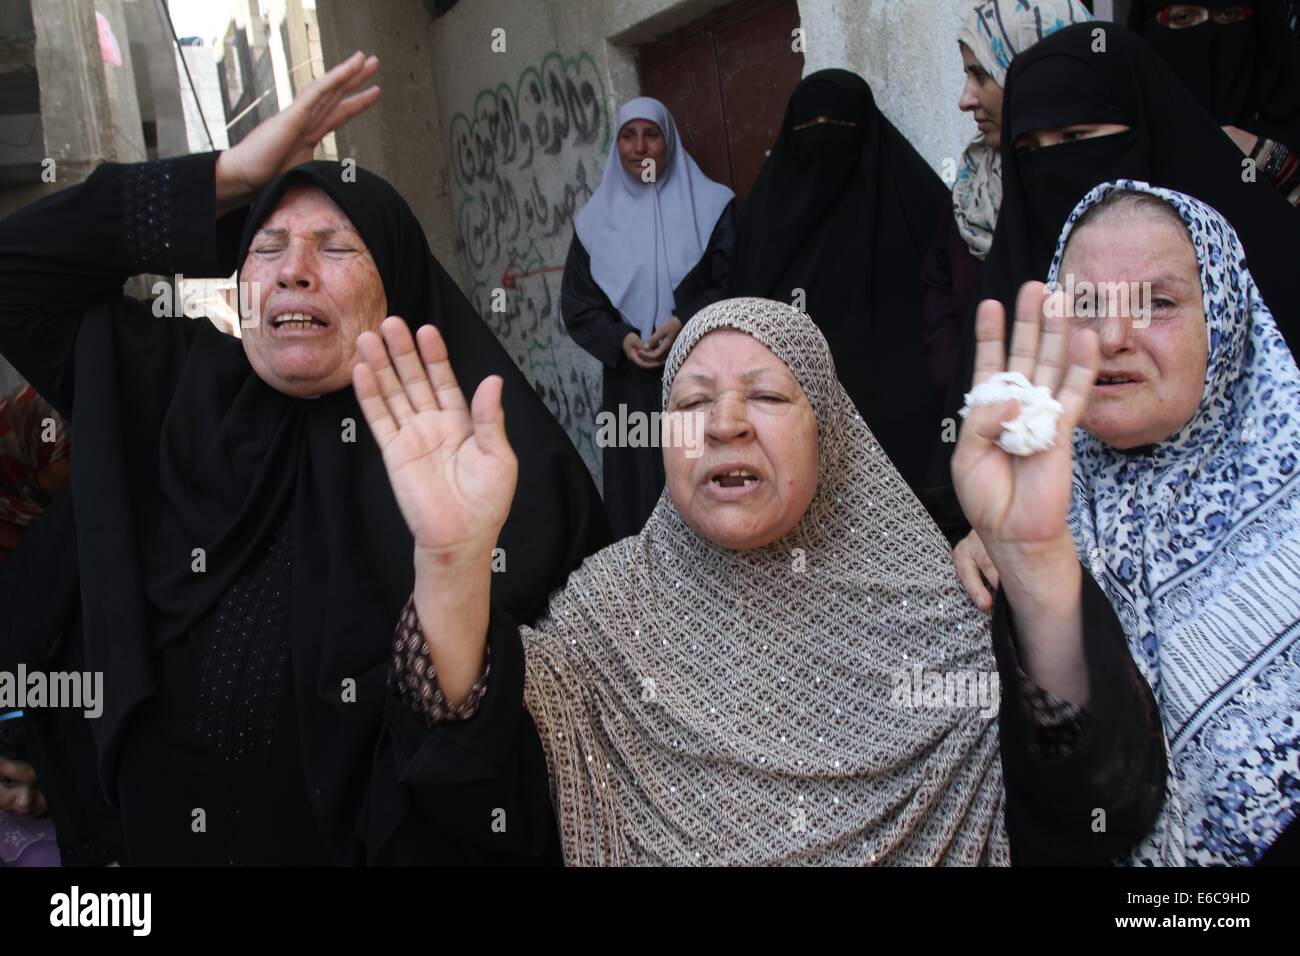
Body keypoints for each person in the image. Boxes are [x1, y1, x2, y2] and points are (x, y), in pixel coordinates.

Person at [0, 52, 607, 865]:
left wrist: (453, 565)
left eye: (334, 247)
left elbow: (528, 760)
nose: (292, 269)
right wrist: (228, 176)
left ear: (395, 279)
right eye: (267, 246)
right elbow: (16, 272)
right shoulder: (173, 393)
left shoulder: (493, 469)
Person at [351, 296, 1166, 865]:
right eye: (693, 399)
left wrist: (1036, 562)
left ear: (833, 435)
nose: (726, 422)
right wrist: (452, 564)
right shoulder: (608, 614)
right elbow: (472, 782)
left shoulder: (950, 609)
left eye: (769, 395)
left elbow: (1096, 807)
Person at [954, 180, 1299, 864]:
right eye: (1084, 306)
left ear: (1225, 320)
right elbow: (1088, 808)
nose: (1112, 337)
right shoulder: (1019, 519)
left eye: (1159, 303)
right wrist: (1038, 568)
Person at [926, 20, 1300, 540]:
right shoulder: (1012, 300)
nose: (1112, 336)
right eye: (1031, 152)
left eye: (1077, 139)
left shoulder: (1253, 271)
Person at [729, 71, 948, 495]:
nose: (823, 145)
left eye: (838, 128)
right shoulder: (762, 225)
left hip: (906, 452)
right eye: (808, 130)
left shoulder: (919, 205)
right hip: (796, 435)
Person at [562, 98, 734, 539]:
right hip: (631, 386)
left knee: (707, 480)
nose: (639, 147)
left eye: (651, 134)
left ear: (668, 142)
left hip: (702, 376)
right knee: (639, 498)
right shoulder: (593, 225)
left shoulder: (713, 207)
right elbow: (579, 306)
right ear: (616, 145)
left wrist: (685, 321)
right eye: (627, 135)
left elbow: (737, 283)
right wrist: (621, 340)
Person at [922, 0, 1092, 393]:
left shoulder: (1107, 173)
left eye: (981, 75)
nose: (965, 100)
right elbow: (939, 289)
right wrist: (962, 374)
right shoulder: (971, 187)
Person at [1127, 1, 1300, 205]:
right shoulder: (1123, 135)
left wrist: (1269, 157)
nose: (1208, 33)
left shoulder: (1288, 112)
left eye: (1229, 14)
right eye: (1183, 17)